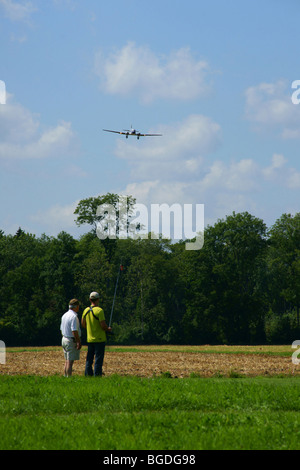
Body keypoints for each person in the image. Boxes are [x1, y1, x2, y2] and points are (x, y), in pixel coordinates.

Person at [81, 291, 112, 377]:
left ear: (90, 299)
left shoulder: (86, 310)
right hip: (100, 339)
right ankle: (97, 376)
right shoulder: (99, 310)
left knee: (89, 359)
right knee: (98, 359)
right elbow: (103, 325)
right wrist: (108, 329)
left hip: (90, 339)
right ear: (98, 300)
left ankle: (88, 375)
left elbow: (83, 324)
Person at [60, 299, 82, 377]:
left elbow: (61, 329)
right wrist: (78, 341)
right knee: (70, 362)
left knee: (66, 361)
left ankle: (65, 376)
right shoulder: (74, 316)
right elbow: (74, 330)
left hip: (64, 338)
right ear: (76, 306)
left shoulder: (64, 315)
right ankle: (69, 377)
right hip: (70, 340)